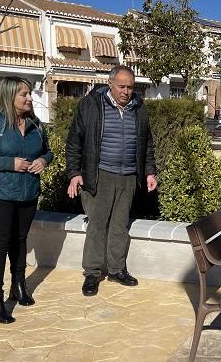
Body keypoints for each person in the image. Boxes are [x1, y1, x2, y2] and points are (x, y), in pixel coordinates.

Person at [0, 76, 53, 324]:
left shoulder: (35, 124)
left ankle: (19, 286)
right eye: (23, 94)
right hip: (0, 193)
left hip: (29, 193)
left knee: (20, 240)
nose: (29, 98)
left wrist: (44, 161)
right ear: (9, 95)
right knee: (0, 243)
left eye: (29, 93)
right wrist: (9, 163)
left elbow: (47, 150)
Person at [66, 65, 157, 297]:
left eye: (130, 87)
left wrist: (149, 172)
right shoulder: (91, 105)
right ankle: (92, 273)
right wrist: (74, 173)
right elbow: (75, 140)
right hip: (100, 174)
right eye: (122, 86)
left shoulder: (138, 108)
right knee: (97, 225)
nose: (126, 91)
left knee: (119, 226)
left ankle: (117, 269)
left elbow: (146, 143)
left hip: (128, 176)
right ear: (110, 84)